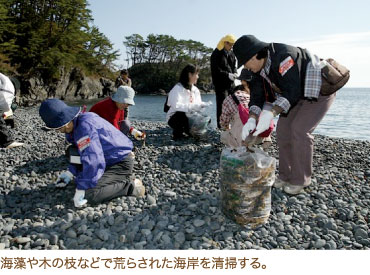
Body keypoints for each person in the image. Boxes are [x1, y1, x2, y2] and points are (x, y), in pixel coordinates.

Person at [233, 35, 337, 195]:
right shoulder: (256, 70)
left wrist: (271, 113)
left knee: (300, 130)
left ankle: (301, 179)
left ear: (254, 55)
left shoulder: (283, 56)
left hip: (317, 91)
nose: (245, 67)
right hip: (294, 96)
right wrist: (252, 119)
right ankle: (284, 175)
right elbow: (257, 95)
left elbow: (292, 89)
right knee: (282, 131)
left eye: (245, 62)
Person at [39, 99, 145, 207]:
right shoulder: (75, 124)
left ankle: (131, 186)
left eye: (57, 128)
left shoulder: (84, 128)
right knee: (72, 151)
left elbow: (94, 160)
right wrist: (70, 172)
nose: (57, 131)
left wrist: (82, 188)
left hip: (120, 162)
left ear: (65, 123)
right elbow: (80, 153)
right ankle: (106, 178)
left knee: (90, 194)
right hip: (107, 157)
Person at [220, 69, 273, 148]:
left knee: (223, 136)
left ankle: (239, 144)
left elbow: (224, 123)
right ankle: (266, 141)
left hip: (242, 137)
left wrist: (228, 127)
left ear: (243, 82)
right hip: (261, 137)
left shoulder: (230, 99)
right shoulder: (261, 98)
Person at [166, 64, 204, 140]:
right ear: (190, 75)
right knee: (182, 114)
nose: (198, 77)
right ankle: (177, 133)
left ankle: (189, 131)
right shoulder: (177, 88)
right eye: (196, 74)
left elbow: (198, 104)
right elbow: (175, 106)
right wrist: (191, 107)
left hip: (190, 116)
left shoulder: (195, 90)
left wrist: (203, 106)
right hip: (174, 117)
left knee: (205, 119)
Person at [210, 34, 238, 129]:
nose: (231, 47)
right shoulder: (216, 53)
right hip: (220, 84)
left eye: (233, 45)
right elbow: (215, 70)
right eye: (230, 45)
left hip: (231, 83)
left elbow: (234, 66)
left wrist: (235, 73)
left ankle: (232, 124)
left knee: (234, 103)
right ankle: (221, 125)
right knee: (222, 104)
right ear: (225, 42)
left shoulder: (232, 53)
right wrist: (227, 75)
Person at [0, 72, 23, 149]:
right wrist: (8, 117)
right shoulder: (9, 88)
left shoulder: (4, 79)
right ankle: (7, 142)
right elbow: (4, 105)